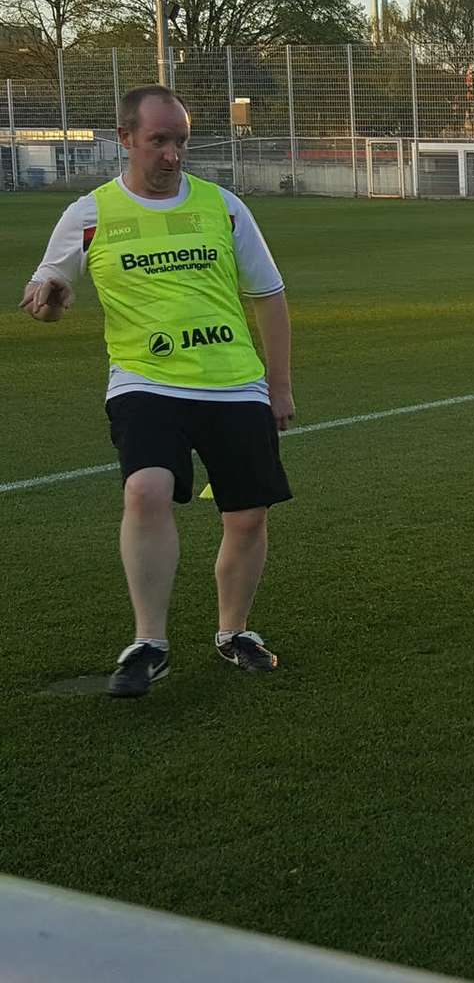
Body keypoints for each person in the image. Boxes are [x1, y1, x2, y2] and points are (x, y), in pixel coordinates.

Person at [19, 84, 294, 698]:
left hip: (232, 383)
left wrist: (278, 385)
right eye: (159, 141)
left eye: (181, 142)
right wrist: (49, 299)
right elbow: (47, 287)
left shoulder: (223, 208)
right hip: (146, 381)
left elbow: (269, 295)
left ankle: (234, 632)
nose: (172, 154)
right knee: (146, 491)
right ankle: (149, 642)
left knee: (246, 516)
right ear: (125, 139)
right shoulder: (89, 214)